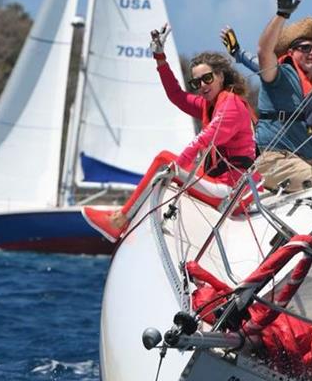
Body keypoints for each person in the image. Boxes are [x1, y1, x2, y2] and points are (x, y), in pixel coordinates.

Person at [83, 25, 258, 242]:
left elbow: (205, 139)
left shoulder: (230, 105)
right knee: (168, 163)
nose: (202, 85)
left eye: (207, 78)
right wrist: (160, 58)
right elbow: (177, 96)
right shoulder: (209, 104)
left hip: (229, 193)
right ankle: (123, 218)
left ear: (221, 76)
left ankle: (119, 221)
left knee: (164, 159)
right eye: (196, 82)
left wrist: (175, 168)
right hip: (221, 187)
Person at [245, 0, 312, 193]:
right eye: (305, 48)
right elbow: (263, 51)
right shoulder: (280, 74)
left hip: (309, 166)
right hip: (277, 162)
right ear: (290, 51)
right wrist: (282, 14)